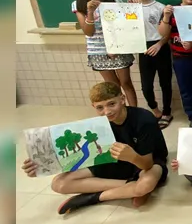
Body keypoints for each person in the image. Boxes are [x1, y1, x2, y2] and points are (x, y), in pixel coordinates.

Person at [20, 82, 169, 214]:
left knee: (146, 183)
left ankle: (94, 197)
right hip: (114, 161)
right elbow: (78, 158)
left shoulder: (143, 119)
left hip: (146, 162)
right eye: (100, 107)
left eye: (112, 104)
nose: (107, 111)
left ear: (122, 99)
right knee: (58, 183)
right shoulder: (97, 125)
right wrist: (41, 167)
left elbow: (147, 164)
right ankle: (130, 189)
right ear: (94, 107)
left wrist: (131, 156)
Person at [72, 0, 137, 107]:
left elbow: (123, 28)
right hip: (98, 51)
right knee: (113, 87)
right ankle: (120, 114)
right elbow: (88, 32)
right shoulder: (78, 5)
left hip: (118, 48)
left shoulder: (115, 1)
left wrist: (134, 9)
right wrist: (90, 12)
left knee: (126, 83)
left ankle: (133, 115)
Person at [127, 0, 173, 129]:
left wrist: (159, 44)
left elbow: (167, 33)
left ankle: (167, 112)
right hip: (143, 48)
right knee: (146, 86)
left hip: (160, 46)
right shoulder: (131, 8)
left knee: (165, 83)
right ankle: (156, 111)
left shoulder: (160, 7)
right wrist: (129, 11)